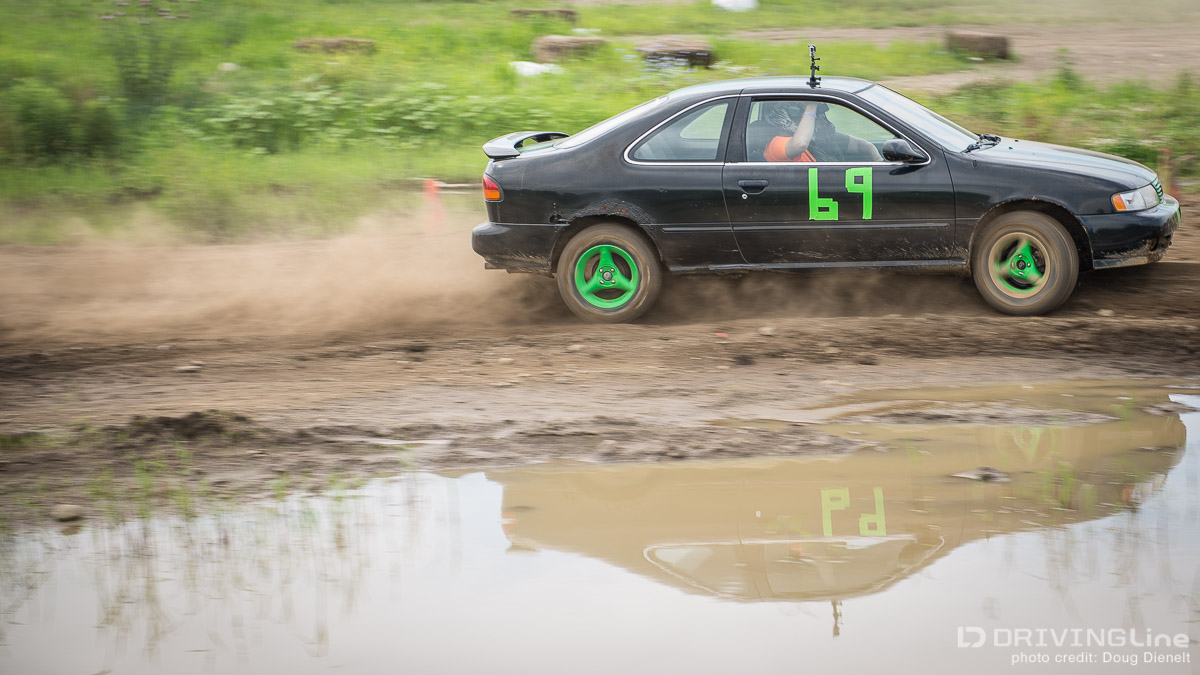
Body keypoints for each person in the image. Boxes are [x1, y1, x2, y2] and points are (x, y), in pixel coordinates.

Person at [747, 101, 882, 163]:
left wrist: (880, 164)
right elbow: (800, 143)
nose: (824, 120)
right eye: (817, 116)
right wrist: (811, 106)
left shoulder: (824, 139)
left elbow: (863, 146)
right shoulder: (775, 144)